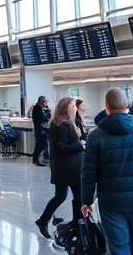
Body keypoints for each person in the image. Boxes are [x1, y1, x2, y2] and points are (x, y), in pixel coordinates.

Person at [81, 89, 133, 255]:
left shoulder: (96, 136)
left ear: (107, 107)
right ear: (126, 106)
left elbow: (89, 172)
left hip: (111, 200)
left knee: (119, 246)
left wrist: (87, 200)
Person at [34, 97, 84, 239]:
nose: (75, 108)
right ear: (65, 107)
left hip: (71, 166)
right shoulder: (60, 124)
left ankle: (76, 223)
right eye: (73, 106)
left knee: (74, 195)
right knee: (63, 195)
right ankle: (44, 220)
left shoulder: (67, 122)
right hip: (66, 167)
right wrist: (80, 145)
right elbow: (61, 148)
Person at [31, 96, 51, 166]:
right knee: (40, 145)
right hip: (41, 130)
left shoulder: (40, 107)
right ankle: (36, 159)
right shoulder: (38, 107)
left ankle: (35, 159)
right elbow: (43, 118)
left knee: (40, 145)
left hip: (41, 130)